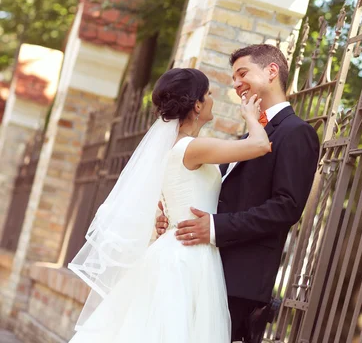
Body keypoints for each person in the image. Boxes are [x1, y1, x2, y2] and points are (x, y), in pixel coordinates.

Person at [68, 67, 272, 343]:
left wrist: (161, 215)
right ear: (197, 104)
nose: (213, 99)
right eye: (209, 94)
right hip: (187, 256)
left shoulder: (173, 147)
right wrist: (250, 116)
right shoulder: (191, 148)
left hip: (177, 248)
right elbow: (260, 145)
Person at [155, 44, 320, 342]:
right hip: (203, 272)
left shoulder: (296, 132)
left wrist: (216, 227)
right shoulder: (249, 136)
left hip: (240, 281)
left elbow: (287, 207)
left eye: (242, 73)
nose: (235, 83)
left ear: (271, 71)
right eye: (233, 77)